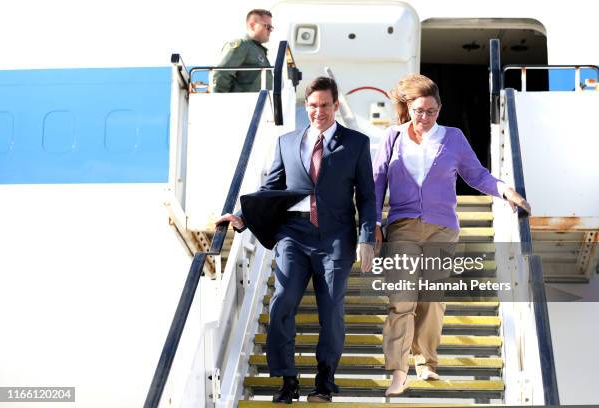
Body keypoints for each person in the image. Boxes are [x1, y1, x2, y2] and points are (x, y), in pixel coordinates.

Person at [216, 77, 377, 403]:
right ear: (308, 106)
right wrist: (242, 216)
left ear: (335, 105)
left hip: (336, 238)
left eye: (326, 105)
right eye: (314, 105)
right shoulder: (286, 143)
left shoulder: (357, 143)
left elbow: (368, 197)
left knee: (331, 311)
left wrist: (367, 238)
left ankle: (324, 383)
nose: (319, 111)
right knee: (281, 303)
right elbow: (273, 189)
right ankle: (287, 380)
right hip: (294, 235)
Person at [372, 74, 531, 397]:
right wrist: (373, 223)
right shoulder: (393, 137)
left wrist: (506, 192)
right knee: (402, 300)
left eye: (431, 111)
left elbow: (477, 175)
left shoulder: (454, 138)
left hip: (443, 228)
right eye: (419, 111)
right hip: (402, 226)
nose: (425, 118)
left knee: (432, 298)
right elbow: (377, 182)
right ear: (409, 108)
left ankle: (426, 361)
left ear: (440, 109)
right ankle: (398, 370)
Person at [211, 9, 274, 93]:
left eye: (271, 28)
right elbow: (221, 73)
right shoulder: (242, 45)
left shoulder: (258, 50)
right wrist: (222, 101)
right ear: (252, 26)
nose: (270, 31)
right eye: (267, 27)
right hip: (244, 104)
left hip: (260, 103)